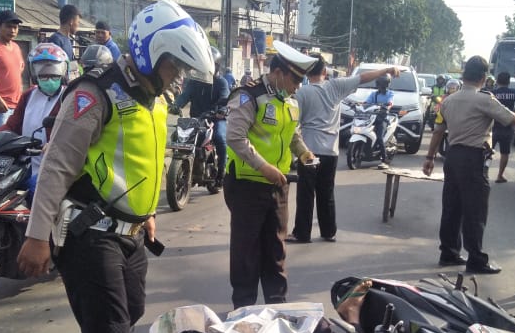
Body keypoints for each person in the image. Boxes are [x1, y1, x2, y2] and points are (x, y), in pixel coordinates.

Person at [16, 0, 214, 333]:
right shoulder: (94, 94)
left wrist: (148, 214)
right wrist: (37, 236)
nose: (178, 76)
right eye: (174, 64)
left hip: (131, 231)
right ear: (149, 53)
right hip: (87, 232)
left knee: (134, 309)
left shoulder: (156, 100)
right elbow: (57, 166)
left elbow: (150, 160)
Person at [421, 55, 515, 275]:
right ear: (483, 77)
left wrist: (430, 158)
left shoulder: (449, 100)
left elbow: (439, 131)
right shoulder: (484, 100)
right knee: (475, 211)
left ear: (464, 75)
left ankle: (448, 252)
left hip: (453, 156)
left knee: (452, 207)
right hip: (473, 158)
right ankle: (476, 259)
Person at [224, 40, 317, 309]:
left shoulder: (290, 101)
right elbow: (235, 137)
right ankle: (243, 310)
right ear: (278, 73)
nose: (298, 85)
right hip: (247, 186)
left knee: (276, 250)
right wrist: (263, 167)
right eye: (295, 79)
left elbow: (292, 135)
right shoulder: (248, 96)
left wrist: (304, 153)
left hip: (278, 186)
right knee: (246, 253)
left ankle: (277, 308)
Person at [288, 59, 399, 243]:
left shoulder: (302, 93)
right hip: (330, 152)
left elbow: (293, 121)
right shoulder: (336, 86)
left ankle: (302, 233)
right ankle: (328, 231)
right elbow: (363, 78)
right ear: (325, 70)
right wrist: (387, 69)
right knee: (326, 191)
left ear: (307, 73)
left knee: (306, 192)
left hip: (310, 152)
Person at [0, 43, 70, 201]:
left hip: (54, 168)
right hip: (25, 163)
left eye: (54, 74)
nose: (49, 78)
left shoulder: (69, 98)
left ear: (63, 72)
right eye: (42, 74)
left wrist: (57, 144)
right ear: (33, 73)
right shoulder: (28, 95)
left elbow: (76, 133)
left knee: (36, 193)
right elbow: (12, 126)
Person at [171, 46, 230, 182]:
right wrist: (175, 106)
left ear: (216, 65)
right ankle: (183, 166)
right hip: (196, 119)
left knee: (220, 138)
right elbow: (184, 96)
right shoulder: (195, 82)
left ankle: (221, 171)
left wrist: (221, 110)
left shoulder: (221, 82)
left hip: (215, 119)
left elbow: (224, 98)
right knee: (177, 136)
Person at [491, 71, 515, 184]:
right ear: (508, 82)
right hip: (507, 127)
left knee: (487, 151)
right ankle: (500, 175)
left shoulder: (492, 93)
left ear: (497, 81)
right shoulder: (513, 93)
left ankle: (484, 171)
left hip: (493, 127)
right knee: (505, 153)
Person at [364, 74, 395, 169]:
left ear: (386, 84)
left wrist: (387, 106)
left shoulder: (390, 94)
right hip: (372, 118)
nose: (380, 86)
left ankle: (384, 159)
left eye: (382, 84)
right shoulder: (374, 94)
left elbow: (390, 103)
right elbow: (366, 102)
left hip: (383, 118)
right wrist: (361, 104)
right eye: (379, 84)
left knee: (380, 137)